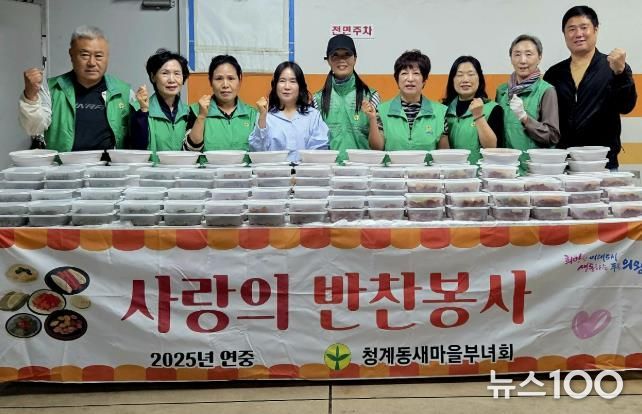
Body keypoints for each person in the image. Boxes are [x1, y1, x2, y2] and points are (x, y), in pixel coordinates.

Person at [543, 5, 637, 170]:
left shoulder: (613, 66)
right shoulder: (554, 73)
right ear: (564, 34)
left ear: (595, 29)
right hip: (563, 164)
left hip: (603, 164)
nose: (578, 34)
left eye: (584, 27)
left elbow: (626, 106)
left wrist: (620, 74)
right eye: (571, 29)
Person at [19, 25, 135, 152]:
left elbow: (139, 136)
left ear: (107, 57)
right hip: (63, 164)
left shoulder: (123, 92)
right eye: (84, 55)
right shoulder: (52, 89)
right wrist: (30, 97)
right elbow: (34, 128)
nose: (92, 63)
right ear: (71, 54)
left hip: (109, 164)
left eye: (98, 56)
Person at [496, 34, 560, 172]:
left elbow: (552, 136)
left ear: (539, 57)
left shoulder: (546, 91)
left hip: (534, 170)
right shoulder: (502, 91)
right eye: (517, 54)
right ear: (511, 58)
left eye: (529, 54)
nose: (522, 60)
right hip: (507, 169)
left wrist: (525, 118)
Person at [313, 34, 380, 163]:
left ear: (355, 59)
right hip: (330, 170)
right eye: (335, 55)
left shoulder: (371, 96)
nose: (341, 60)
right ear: (328, 60)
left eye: (347, 54)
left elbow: (378, 144)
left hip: (362, 169)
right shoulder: (318, 100)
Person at [368, 49, 447, 155]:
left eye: (416, 73)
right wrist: (372, 118)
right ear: (397, 79)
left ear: (424, 80)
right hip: (393, 166)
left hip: (427, 167)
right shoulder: (381, 110)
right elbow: (377, 148)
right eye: (404, 73)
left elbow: (444, 155)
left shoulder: (441, 112)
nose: (410, 79)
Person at [249, 61, 329, 163]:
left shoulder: (313, 116)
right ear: (275, 85)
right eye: (282, 81)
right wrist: (262, 118)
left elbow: (319, 152)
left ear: (300, 86)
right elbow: (257, 152)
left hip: (304, 172)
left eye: (293, 81)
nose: (287, 87)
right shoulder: (265, 115)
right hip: (274, 172)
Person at [130, 49, 194, 159]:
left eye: (177, 73)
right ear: (153, 76)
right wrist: (143, 111)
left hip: (182, 169)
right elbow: (137, 149)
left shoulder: (189, 113)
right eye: (165, 73)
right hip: (151, 170)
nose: (172, 80)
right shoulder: (138, 109)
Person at [185, 55, 257, 152]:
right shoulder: (195, 111)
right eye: (219, 79)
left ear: (240, 79)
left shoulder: (252, 114)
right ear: (210, 81)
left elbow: (261, 150)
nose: (225, 85)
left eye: (231, 78)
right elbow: (190, 151)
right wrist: (201, 116)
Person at [441, 56, 504, 165]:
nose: (465, 80)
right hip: (452, 172)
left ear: (479, 78)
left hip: (480, 173)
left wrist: (478, 116)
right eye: (459, 75)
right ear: (452, 79)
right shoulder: (444, 110)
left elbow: (492, 149)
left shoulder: (493, 109)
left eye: (471, 74)